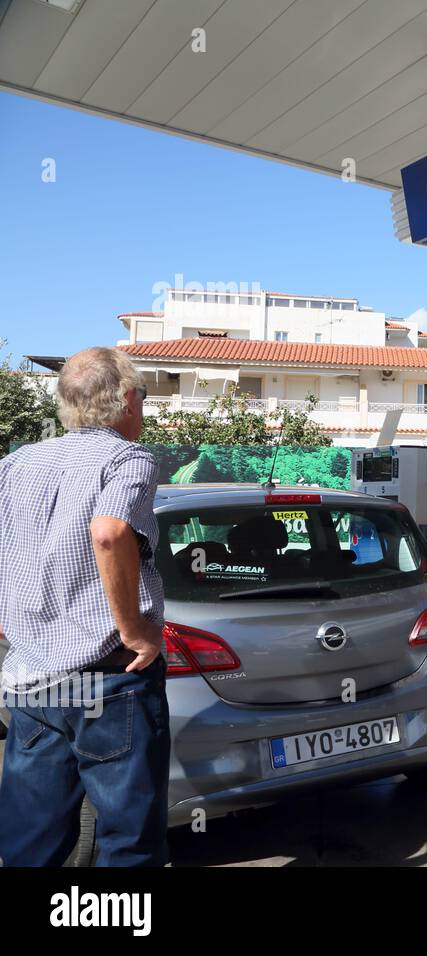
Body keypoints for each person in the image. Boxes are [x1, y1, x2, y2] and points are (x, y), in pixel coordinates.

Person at [0, 347, 169, 867]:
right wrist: (135, 629)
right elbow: (110, 530)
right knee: (128, 838)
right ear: (125, 401)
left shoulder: (16, 463)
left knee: (30, 836)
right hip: (109, 679)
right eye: (141, 396)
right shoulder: (127, 459)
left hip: (33, 680)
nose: (142, 407)